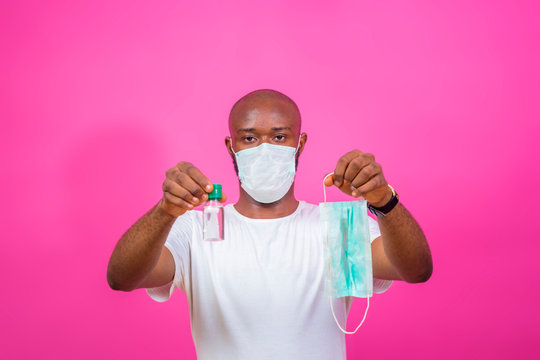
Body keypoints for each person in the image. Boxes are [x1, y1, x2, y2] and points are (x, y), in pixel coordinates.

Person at [107, 89, 433, 360]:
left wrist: (382, 201)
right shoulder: (196, 228)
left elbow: (415, 270)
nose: (265, 149)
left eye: (279, 136)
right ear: (231, 146)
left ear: (299, 144)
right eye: (249, 138)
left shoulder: (337, 228)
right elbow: (123, 277)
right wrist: (165, 211)